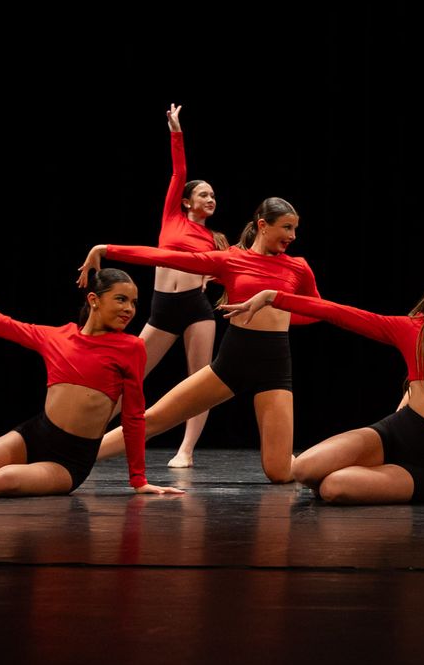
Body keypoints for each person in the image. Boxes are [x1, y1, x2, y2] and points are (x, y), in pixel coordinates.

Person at [218, 252, 424, 505]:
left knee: (334, 487)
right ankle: (369, 475)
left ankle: (368, 479)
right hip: (394, 432)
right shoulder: (415, 328)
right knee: (302, 468)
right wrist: (274, 297)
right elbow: (341, 313)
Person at [78, 197, 317, 483]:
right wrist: (106, 249)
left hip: (275, 368)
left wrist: (278, 315)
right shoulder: (230, 259)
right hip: (232, 363)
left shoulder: (298, 267)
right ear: (263, 225)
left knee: (279, 473)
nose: (293, 236)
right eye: (287, 227)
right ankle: (75, 456)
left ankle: (321, 464)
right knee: (153, 419)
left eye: (295, 229)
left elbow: (316, 310)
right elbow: (165, 257)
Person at [0, 270, 182, 497]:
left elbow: (133, 416)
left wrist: (138, 480)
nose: (129, 309)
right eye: (121, 299)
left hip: (70, 461)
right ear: (94, 299)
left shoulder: (131, 348)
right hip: (33, 435)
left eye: (133, 303)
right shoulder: (56, 337)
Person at [142, 103, 227, 468]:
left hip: (196, 308)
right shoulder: (172, 218)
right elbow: (179, 171)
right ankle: (91, 432)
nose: (210, 199)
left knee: (199, 381)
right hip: (162, 307)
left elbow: (229, 272)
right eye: (204, 194)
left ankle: (186, 450)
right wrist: (176, 131)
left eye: (213, 196)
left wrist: (211, 277)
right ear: (186, 201)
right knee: (132, 371)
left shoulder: (216, 239)